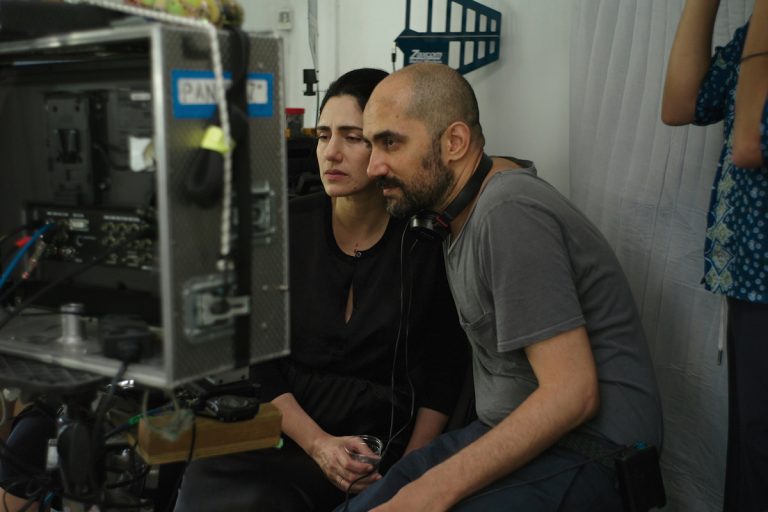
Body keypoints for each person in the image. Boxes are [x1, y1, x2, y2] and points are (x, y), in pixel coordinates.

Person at [337, 62, 664, 512]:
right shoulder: (457, 215)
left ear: (454, 142)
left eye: (391, 142)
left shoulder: (509, 211)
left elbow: (573, 394)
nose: (374, 166)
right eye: (371, 144)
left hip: (591, 451)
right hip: (508, 434)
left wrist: (432, 491)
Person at [172, 68, 470, 512]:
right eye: (323, 135)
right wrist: (317, 444)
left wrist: (411, 474)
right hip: (284, 429)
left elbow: (444, 376)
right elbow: (261, 361)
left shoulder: (425, 242)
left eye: (352, 137)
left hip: (372, 451)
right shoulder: (286, 227)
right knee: (207, 484)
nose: (331, 152)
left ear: (385, 145)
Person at [662, 2, 768, 510]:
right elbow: (682, 104)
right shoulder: (757, 33)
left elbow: (750, 141)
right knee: (751, 456)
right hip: (750, 281)